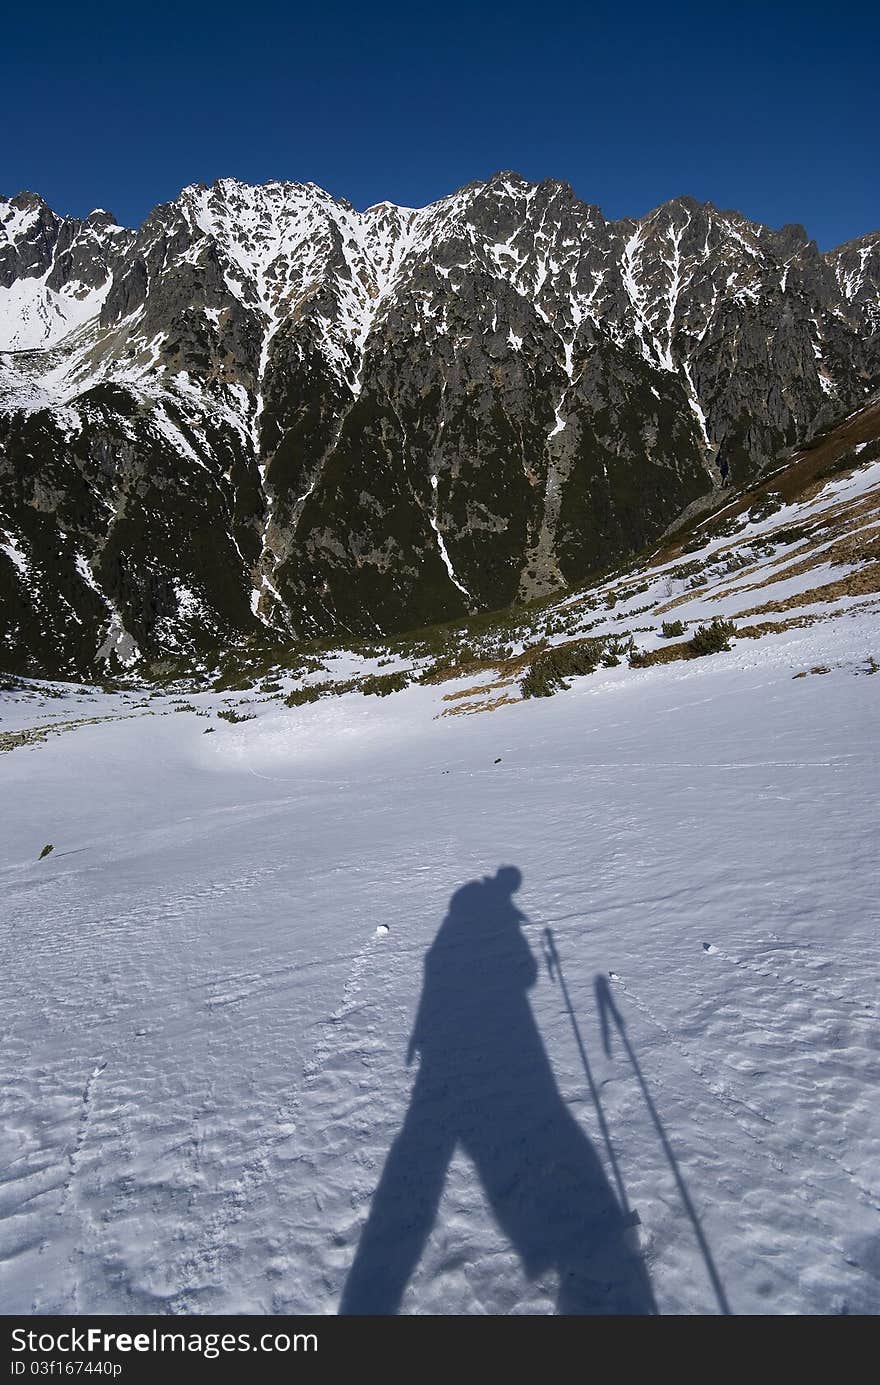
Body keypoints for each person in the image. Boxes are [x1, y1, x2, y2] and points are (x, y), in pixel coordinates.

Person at [340, 866, 655, 1315]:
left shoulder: (465, 928)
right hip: (501, 1044)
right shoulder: (487, 925)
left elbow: (459, 975)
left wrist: (422, 1034)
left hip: (478, 1043)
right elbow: (523, 975)